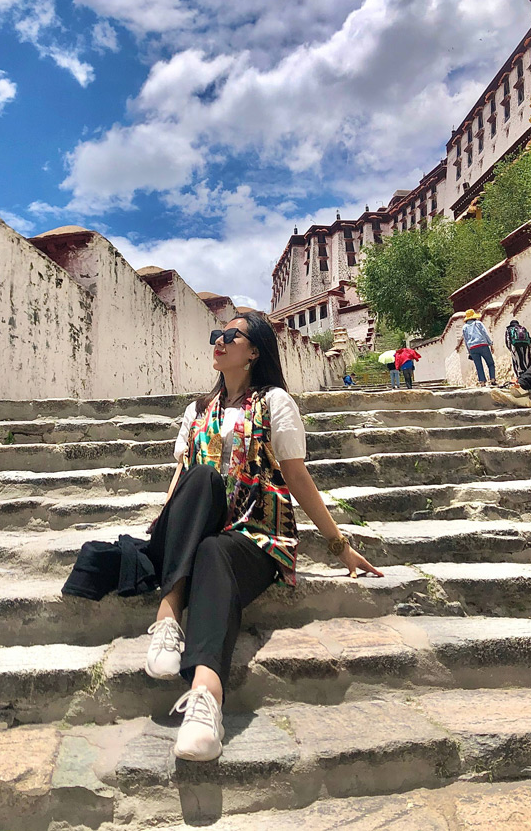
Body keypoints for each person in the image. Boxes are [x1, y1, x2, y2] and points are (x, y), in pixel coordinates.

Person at [143, 311, 383, 761]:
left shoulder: (274, 403)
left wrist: (339, 545)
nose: (219, 341)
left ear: (254, 351)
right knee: (200, 479)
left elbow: (296, 476)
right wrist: (165, 524)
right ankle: (168, 617)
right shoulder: (197, 410)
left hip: (254, 536)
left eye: (230, 336)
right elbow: (180, 476)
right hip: (197, 527)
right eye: (216, 334)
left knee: (215, 551)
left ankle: (205, 699)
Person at [461, 309, 496, 387]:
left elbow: (466, 340)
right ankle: (492, 379)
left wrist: (469, 351)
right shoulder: (478, 323)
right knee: (490, 363)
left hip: (472, 348)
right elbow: (485, 333)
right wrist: (490, 343)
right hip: (483, 345)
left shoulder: (464, 327)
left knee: (478, 366)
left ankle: (482, 382)